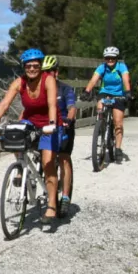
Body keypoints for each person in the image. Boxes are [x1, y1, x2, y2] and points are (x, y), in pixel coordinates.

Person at [0, 48, 61, 225]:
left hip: (48, 124)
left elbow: (52, 104)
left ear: (41, 66)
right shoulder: (19, 82)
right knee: (13, 135)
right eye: (28, 66)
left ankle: (52, 204)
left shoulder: (48, 80)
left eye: (36, 66)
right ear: (24, 67)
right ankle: (21, 166)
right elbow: (5, 102)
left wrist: (51, 124)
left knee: (47, 163)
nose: (32, 69)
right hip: (30, 121)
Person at [82, 46, 131, 164]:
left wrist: (128, 92)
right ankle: (101, 126)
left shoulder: (121, 67)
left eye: (112, 58)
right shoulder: (101, 67)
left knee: (118, 122)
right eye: (107, 58)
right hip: (105, 93)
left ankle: (118, 148)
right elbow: (93, 80)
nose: (110, 60)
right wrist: (87, 91)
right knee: (100, 108)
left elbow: (126, 80)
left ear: (116, 58)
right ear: (105, 58)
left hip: (119, 95)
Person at [42, 55, 76, 213]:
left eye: (51, 71)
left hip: (64, 125)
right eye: (45, 72)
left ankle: (66, 196)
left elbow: (71, 107)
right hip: (47, 127)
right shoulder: (40, 89)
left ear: (57, 72)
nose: (48, 74)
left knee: (63, 158)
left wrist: (69, 119)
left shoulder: (65, 88)